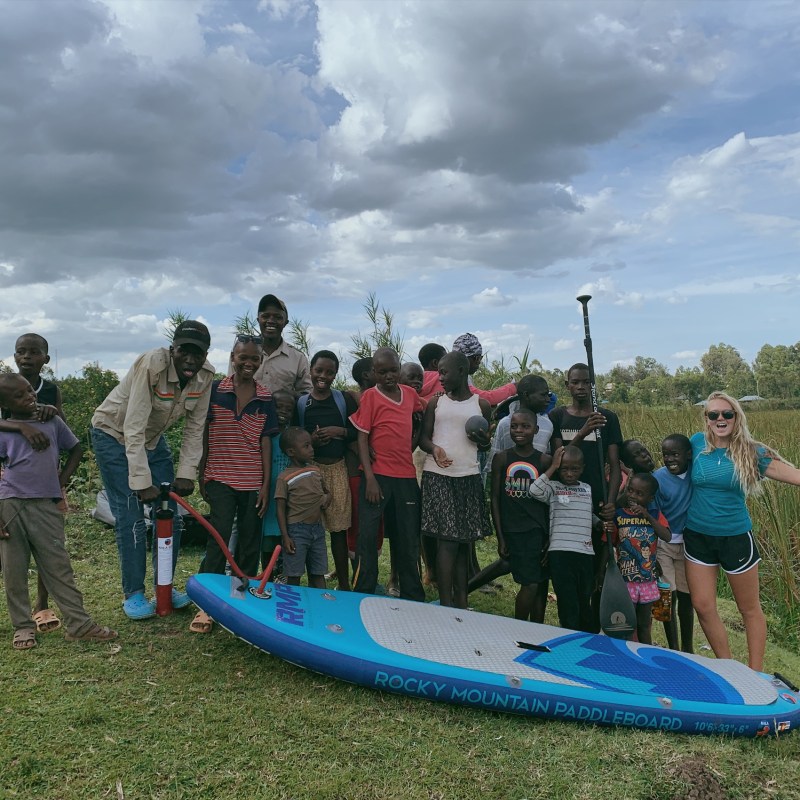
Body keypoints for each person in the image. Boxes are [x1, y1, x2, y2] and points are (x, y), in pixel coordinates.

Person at [91, 320, 214, 620]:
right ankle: (133, 593)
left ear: (205, 355)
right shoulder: (152, 365)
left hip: (151, 440)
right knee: (130, 513)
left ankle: (165, 584)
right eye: (184, 351)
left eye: (197, 354)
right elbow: (132, 426)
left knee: (170, 511)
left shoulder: (204, 376)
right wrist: (141, 481)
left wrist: (186, 473)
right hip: (113, 433)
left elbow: (195, 428)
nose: (190, 359)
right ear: (173, 349)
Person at [684, 392, 800, 671]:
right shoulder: (696, 444)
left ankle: (755, 673)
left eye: (727, 414)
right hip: (697, 536)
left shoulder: (752, 451)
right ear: (706, 419)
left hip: (735, 538)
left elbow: (794, 476)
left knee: (748, 609)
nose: (720, 419)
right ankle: (729, 669)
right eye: (714, 415)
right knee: (702, 605)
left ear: (737, 417)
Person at [0, 374, 118, 650]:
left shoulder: (51, 421)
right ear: (5, 404)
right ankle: (23, 628)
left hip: (47, 505)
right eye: (18, 396)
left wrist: (61, 482)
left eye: (29, 390)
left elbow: (75, 448)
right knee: (13, 570)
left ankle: (79, 624)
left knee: (58, 566)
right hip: (10, 504)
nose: (29, 396)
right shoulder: (5, 431)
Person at [192, 336, 279, 633]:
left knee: (250, 540)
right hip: (219, 476)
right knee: (218, 535)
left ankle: (239, 598)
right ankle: (207, 603)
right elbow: (202, 430)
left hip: (252, 479)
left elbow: (266, 442)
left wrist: (266, 484)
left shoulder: (266, 397)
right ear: (232, 356)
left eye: (255, 359)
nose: (249, 363)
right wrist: (201, 470)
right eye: (243, 357)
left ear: (261, 361)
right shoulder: (215, 391)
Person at [550, 362, 623, 632]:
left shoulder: (607, 418)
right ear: (567, 385)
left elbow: (614, 465)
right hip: (568, 505)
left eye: (586, 382)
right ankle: (569, 628)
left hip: (598, 503)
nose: (581, 387)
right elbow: (560, 460)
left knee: (595, 571)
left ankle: (592, 628)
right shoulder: (558, 417)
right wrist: (582, 433)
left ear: (593, 385)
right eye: (575, 382)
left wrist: (612, 501)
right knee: (570, 569)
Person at [0, 333, 65, 632]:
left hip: (44, 480)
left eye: (33, 352)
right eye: (20, 352)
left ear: (45, 359)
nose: (26, 357)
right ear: (14, 356)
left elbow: (59, 430)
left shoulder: (50, 390)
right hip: (10, 480)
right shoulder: (4, 386)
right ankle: (19, 614)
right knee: (10, 549)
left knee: (47, 547)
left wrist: (60, 481)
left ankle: (42, 605)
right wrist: (21, 426)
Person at [350, 347, 425, 601]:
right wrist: (369, 477)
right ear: (374, 373)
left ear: (400, 368)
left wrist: (415, 441)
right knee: (368, 537)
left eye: (393, 370)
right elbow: (362, 437)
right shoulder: (371, 396)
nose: (389, 376)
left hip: (405, 477)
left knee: (407, 537)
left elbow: (424, 412)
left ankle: (413, 594)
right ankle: (363, 592)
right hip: (377, 477)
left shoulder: (410, 395)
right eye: (382, 372)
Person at [419, 351, 491, 608]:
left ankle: (461, 601)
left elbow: (483, 446)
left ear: (462, 371)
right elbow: (424, 438)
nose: (440, 378)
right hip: (439, 476)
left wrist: (484, 441)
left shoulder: (480, 405)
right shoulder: (435, 404)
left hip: (468, 477)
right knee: (447, 541)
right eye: (438, 372)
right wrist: (434, 449)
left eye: (444, 372)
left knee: (463, 543)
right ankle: (446, 603)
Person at [297, 350, 358, 591]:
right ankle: (313, 582)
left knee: (339, 531)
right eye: (319, 370)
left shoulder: (343, 400)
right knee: (309, 530)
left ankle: (344, 583)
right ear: (310, 371)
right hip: (312, 471)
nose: (323, 376)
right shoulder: (302, 403)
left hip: (338, 469)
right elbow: (295, 437)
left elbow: (357, 431)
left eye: (329, 372)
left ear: (335, 374)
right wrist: (311, 440)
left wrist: (338, 431)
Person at [491, 408, 551, 621]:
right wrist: (500, 536)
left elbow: (549, 503)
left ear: (535, 430)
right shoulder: (502, 459)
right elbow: (495, 499)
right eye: (514, 426)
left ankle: (535, 627)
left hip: (536, 530)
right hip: (512, 529)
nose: (519, 430)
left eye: (525, 426)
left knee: (535, 581)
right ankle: (520, 625)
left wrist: (548, 535)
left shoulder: (544, 461)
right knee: (531, 582)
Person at [530, 446, 598, 632]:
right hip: (560, 552)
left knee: (584, 597)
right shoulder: (553, 487)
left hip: (584, 552)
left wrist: (599, 523)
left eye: (574, 469)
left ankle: (585, 636)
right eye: (564, 469)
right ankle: (569, 634)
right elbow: (534, 490)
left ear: (582, 468)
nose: (569, 473)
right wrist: (552, 467)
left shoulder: (586, 489)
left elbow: (588, 515)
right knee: (567, 598)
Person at [606, 472, 671, 644]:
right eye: (630, 490)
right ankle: (624, 656)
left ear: (650, 498)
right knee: (626, 624)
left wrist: (647, 516)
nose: (633, 496)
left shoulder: (655, 515)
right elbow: (609, 542)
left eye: (640, 493)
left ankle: (644, 656)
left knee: (644, 625)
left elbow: (667, 536)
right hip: (625, 581)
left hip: (647, 581)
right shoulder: (619, 515)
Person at [654, 434, 695, 653]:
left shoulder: (697, 474)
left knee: (687, 597)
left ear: (688, 455)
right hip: (663, 544)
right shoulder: (658, 478)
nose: (669, 459)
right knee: (666, 596)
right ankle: (672, 647)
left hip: (689, 545)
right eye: (665, 455)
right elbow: (652, 513)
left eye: (675, 454)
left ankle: (687, 648)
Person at [275, 427, 331, 589]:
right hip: (296, 532)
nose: (311, 449)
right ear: (291, 452)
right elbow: (280, 508)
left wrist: (327, 498)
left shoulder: (315, 470)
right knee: (294, 575)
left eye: (311, 446)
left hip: (318, 530)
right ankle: (293, 609)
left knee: (318, 573)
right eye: (306, 446)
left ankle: (321, 605)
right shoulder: (284, 477)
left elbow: (326, 492)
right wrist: (285, 536)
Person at [420, 334, 517, 405]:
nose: (479, 362)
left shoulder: (416, 379)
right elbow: (487, 398)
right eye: (477, 358)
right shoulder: (452, 378)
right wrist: (514, 387)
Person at [248, 294, 312, 395]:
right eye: (265, 316)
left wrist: (288, 396)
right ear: (258, 320)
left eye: (278, 317)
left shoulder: (298, 358)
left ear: (285, 322)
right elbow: (231, 385)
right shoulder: (243, 352)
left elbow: (306, 395)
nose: (271, 321)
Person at [261, 389, 295, 573]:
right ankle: (267, 574)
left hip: (288, 496)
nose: (283, 411)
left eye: (288, 409)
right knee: (267, 538)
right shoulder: (264, 435)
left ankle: (283, 572)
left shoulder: (294, 436)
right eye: (278, 407)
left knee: (286, 535)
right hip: (269, 493)